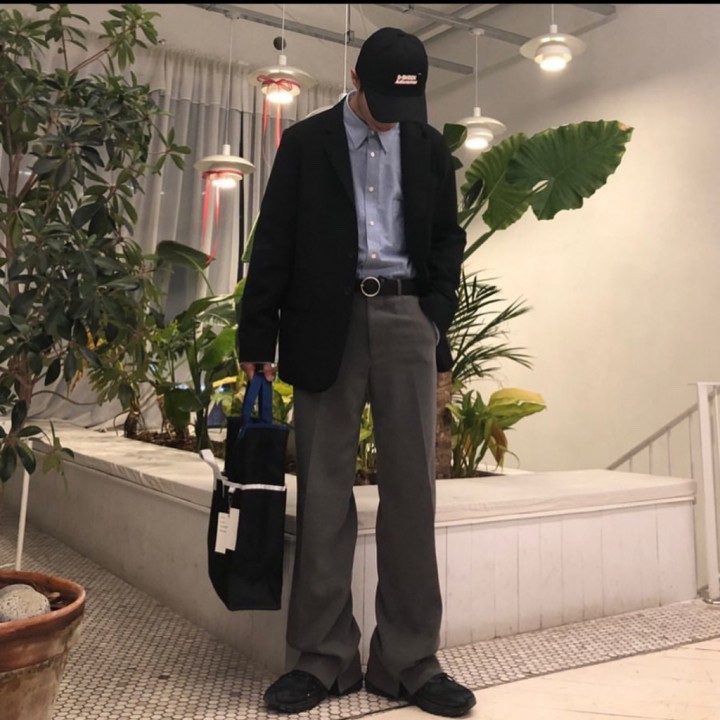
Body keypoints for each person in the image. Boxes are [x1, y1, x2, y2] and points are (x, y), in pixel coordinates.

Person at [237, 26, 474, 717]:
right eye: (380, 102)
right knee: (323, 495)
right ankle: (322, 658)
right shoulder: (306, 144)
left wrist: (433, 316)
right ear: (353, 79)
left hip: (406, 321)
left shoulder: (429, 148)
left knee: (413, 495)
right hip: (324, 325)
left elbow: (447, 239)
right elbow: (273, 240)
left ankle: (409, 661)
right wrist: (256, 334)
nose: (392, 117)